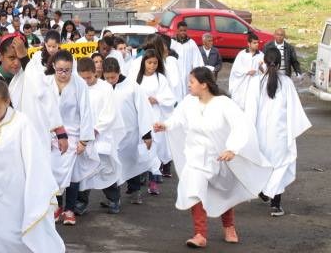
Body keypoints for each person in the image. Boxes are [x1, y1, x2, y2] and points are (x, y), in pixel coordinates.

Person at [154, 67, 272, 248]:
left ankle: (229, 226)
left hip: (220, 158)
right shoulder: (188, 102)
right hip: (196, 158)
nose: (188, 85)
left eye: (192, 82)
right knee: (195, 190)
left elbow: (240, 125)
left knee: (224, 192)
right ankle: (200, 234)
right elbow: (177, 118)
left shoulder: (223, 103)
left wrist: (232, 148)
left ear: (204, 84)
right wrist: (165, 125)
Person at [0, 79, 65, 253]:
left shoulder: (22, 123)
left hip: (15, 193)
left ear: (7, 101)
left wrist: (37, 192)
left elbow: (35, 160)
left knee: (16, 236)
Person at [256, 47, 311, 217]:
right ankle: (275, 203)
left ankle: (263, 191)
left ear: (264, 61)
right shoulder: (286, 82)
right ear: (280, 63)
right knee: (280, 166)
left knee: (265, 164)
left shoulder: (258, 82)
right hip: (280, 133)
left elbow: (251, 108)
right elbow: (294, 109)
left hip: (261, 133)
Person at [49, 50, 95, 226]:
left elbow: (86, 112)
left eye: (67, 70)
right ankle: (56, 207)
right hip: (52, 135)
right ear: (53, 66)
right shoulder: (47, 83)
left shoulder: (79, 85)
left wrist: (84, 140)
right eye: (59, 70)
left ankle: (69, 209)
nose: (63, 74)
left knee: (73, 176)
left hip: (74, 135)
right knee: (53, 173)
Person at [103, 57, 155, 207]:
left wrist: (146, 134)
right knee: (111, 165)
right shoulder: (102, 87)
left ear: (119, 72)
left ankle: (134, 191)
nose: (111, 80)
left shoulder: (132, 86)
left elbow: (143, 110)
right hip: (110, 134)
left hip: (130, 133)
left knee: (132, 162)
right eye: (107, 78)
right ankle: (113, 196)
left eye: (113, 77)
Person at [76, 58, 125, 215]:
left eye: (88, 78)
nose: (85, 81)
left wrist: (96, 130)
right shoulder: (76, 88)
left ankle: (113, 199)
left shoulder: (105, 88)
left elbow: (110, 113)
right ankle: (81, 202)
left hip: (101, 136)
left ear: (95, 73)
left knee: (104, 168)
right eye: (82, 78)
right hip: (83, 136)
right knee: (83, 171)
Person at [132, 49, 175, 196]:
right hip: (140, 118)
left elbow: (169, 97)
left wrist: (157, 99)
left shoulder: (160, 78)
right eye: (149, 62)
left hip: (156, 116)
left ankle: (154, 181)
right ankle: (138, 179)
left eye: (155, 63)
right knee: (141, 148)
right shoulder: (136, 78)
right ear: (144, 62)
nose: (152, 66)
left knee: (154, 149)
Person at [229, 32, 265, 115]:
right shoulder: (242, 54)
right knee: (239, 108)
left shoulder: (261, 55)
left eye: (257, 43)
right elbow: (235, 70)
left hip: (254, 86)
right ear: (248, 43)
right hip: (241, 85)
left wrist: (260, 68)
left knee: (252, 108)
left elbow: (265, 71)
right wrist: (247, 72)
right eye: (254, 43)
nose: (257, 45)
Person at [171, 22, 204, 97]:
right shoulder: (172, 43)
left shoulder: (191, 43)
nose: (183, 32)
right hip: (176, 72)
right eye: (181, 30)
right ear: (177, 30)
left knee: (188, 92)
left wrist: (198, 73)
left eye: (184, 30)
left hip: (187, 73)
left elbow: (197, 59)